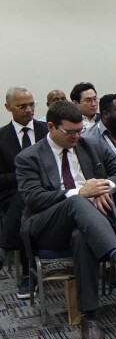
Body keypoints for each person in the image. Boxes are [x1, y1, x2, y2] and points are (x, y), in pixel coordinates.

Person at [15, 101, 116, 339]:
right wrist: (80, 192)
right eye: (70, 132)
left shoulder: (91, 146)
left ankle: (89, 317)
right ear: (51, 127)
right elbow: (34, 198)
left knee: (81, 236)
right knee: (76, 201)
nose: (77, 137)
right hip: (46, 226)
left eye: (80, 131)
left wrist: (103, 187)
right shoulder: (29, 157)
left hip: (90, 225)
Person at [1, 87, 48, 298]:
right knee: (25, 199)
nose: (28, 110)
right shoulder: (1, 137)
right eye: (22, 106)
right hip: (12, 196)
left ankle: (5, 247)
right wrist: (22, 176)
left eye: (31, 105)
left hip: (48, 189)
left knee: (29, 199)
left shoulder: (48, 130)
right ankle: (30, 272)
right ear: (8, 107)